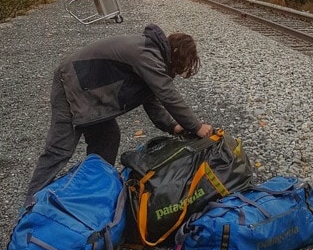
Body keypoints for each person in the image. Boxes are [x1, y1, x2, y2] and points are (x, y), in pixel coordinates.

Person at [24, 23, 213, 205]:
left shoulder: (151, 55)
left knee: (108, 138)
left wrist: (173, 126)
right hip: (71, 85)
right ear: (176, 53)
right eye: (182, 65)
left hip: (91, 96)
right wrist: (195, 127)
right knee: (59, 150)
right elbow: (167, 94)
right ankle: (31, 205)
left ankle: (94, 193)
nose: (179, 71)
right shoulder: (147, 53)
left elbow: (151, 100)